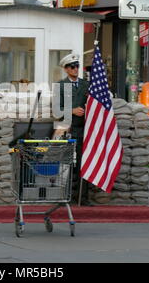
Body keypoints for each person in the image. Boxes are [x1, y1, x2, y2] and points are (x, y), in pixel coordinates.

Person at [58, 53, 90, 205]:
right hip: (68, 129)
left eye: (77, 66)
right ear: (65, 69)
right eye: (72, 66)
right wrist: (72, 110)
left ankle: (83, 198)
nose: (75, 69)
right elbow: (57, 111)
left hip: (86, 129)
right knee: (68, 164)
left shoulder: (86, 85)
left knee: (85, 163)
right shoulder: (61, 86)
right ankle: (67, 196)